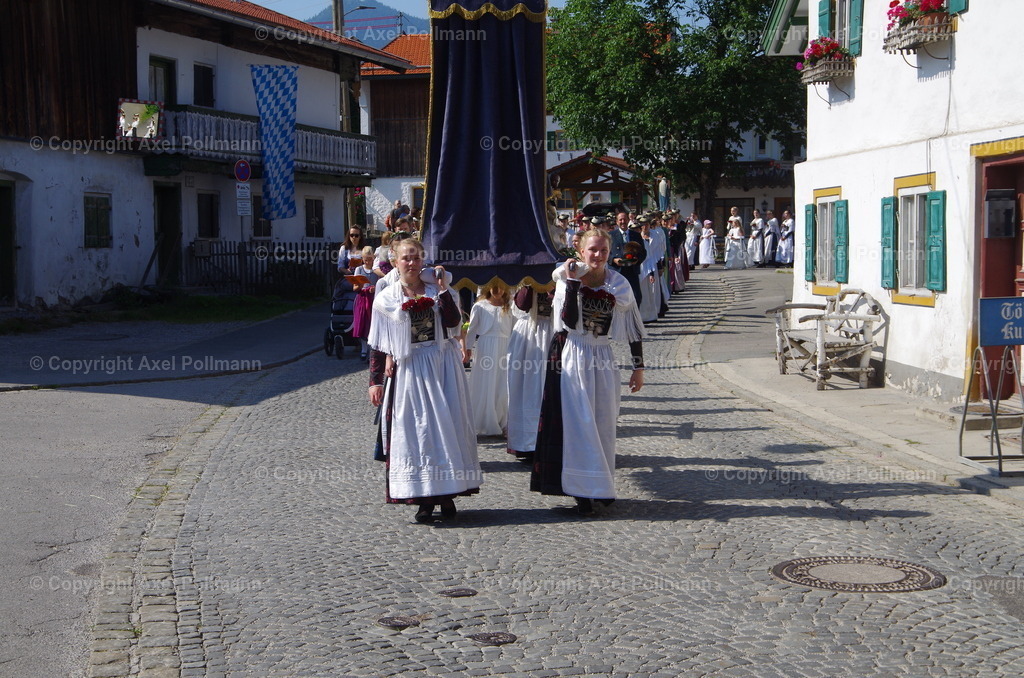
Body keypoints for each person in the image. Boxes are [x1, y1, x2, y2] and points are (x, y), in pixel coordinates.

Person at [531, 229, 646, 516]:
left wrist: (638, 368)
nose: (598, 255)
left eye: (603, 250)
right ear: (581, 251)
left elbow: (633, 327)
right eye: (592, 250)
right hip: (575, 353)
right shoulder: (565, 278)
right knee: (579, 423)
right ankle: (582, 490)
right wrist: (571, 284)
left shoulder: (618, 283)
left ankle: (601, 484)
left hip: (602, 354)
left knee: (604, 421)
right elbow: (567, 322)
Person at [367, 238, 480, 523]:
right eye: (406, 258)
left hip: (442, 365)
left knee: (448, 427)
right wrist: (375, 380)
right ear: (395, 261)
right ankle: (424, 499)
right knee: (419, 433)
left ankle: (448, 494)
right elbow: (379, 344)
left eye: (416, 257)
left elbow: (455, 325)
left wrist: (443, 291)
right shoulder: (387, 298)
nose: (412, 263)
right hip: (411, 370)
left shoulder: (438, 290)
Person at [506, 284, 554, 463]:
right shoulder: (527, 276)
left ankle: (549, 442)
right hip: (528, 334)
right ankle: (526, 443)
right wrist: (530, 281)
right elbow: (522, 304)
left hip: (552, 331)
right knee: (525, 389)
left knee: (547, 388)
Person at [464, 282, 514, 437]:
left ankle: (505, 421)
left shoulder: (510, 306)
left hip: (505, 347)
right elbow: (472, 329)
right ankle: (485, 420)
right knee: (486, 383)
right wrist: (467, 348)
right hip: (486, 347)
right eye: (493, 286)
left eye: (500, 287)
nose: (497, 290)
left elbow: (514, 329)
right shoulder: (480, 306)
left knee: (503, 384)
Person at [608, 211, 646, 305]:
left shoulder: (636, 235)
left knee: (636, 297)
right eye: (620, 219)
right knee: (617, 299)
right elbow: (606, 253)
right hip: (617, 272)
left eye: (625, 219)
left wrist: (637, 260)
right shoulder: (610, 235)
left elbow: (643, 252)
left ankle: (634, 318)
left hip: (632, 271)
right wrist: (613, 260)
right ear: (617, 222)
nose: (623, 221)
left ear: (629, 220)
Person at [351, 246, 379, 361]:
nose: (368, 262)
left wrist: (375, 288)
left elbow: (381, 284)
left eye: (370, 259)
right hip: (362, 298)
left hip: (373, 299)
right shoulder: (359, 270)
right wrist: (360, 286)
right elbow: (354, 288)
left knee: (372, 323)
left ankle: (372, 348)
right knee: (363, 323)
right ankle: (363, 348)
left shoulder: (376, 270)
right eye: (365, 259)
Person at [638, 217, 664, 323]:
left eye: (647, 224)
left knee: (653, 291)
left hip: (652, 264)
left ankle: (653, 312)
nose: (645, 227)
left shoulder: (655, 236)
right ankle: (642, 315)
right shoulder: (638, 237)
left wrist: (660, 266)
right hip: (641, 267)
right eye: (642, 225)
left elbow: (659, 252)